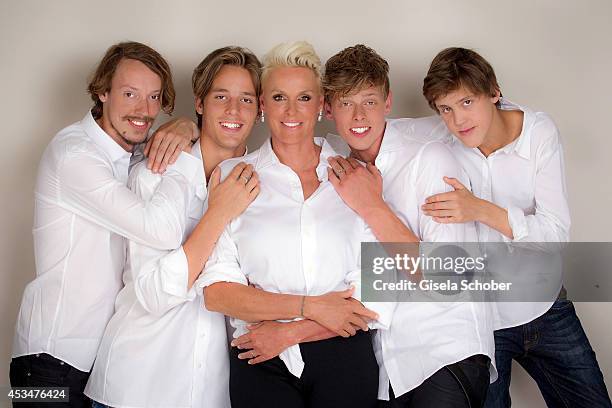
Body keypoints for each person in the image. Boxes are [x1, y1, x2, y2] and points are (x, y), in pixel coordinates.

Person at [232, 44, 496, 408]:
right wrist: (186, 128)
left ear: (387, 104)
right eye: (345, 104)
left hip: (442, 353)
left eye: (370, 102)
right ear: (328, 109)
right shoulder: (337, 162)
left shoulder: (428, 158)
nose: (359, 116)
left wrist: (372, 205)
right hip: (387, 367)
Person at [421, 47, 611, 408]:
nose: (458, 120)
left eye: (466, 102)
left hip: (545, 305)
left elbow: (555, 234)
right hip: (482, 322)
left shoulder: (538, 132)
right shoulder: (436, 142)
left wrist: (481, 210)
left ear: (494, 92)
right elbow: (377, 130)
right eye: (445, 109)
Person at [199, 41, 385, 408]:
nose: (291, 110)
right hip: (258, 354)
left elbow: (374, 289)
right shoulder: (233, 177)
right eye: (279, 97)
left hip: (344, 353)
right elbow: (217, 293)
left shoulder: (354, 175)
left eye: (304, 98)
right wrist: (313, 306)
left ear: (321, 106)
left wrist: (294, 330)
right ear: (263, 106)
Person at [10, 41, 195, 407]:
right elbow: (161, 230)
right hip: (48, 360)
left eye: (154, 97)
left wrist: (186, 126)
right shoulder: (74, 155)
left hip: (97, 362)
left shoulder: (132, 151)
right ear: (102, 92)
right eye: (129, 93)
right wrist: (182, 163)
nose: (144, 110)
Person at [84, 46, 263, 408]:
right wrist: (218, 213)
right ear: (199, 103)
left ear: (260, 110)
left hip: (209, 392)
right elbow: (153, 294)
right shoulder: (156, 173)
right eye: (221, 97)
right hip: (135, 386)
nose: (233, 110)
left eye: (245, 99)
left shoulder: (264, 183)